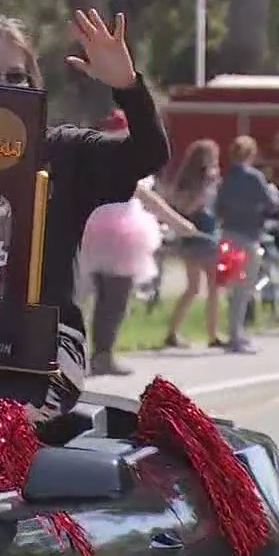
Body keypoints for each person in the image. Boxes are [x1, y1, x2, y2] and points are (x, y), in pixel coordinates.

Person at [0, 11, 170, 425]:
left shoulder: (66, 154)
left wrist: (127, 85)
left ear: (33, 85)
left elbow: (149, 154)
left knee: (8, 428)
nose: (2, 87)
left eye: (15, 77)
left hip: (45, 349)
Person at [79, 109, 201, 376]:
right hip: (122, 233)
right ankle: (102, 355)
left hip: (92, 228)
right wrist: (181, 224)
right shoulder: (124, 161)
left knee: (99, 298)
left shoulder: (91, 159)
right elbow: (148, 198)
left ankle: (94, 354)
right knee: (115, 299)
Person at [214, 136, 279, 354]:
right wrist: (274, 192)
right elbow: (271, 205)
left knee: (232, 286)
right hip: (249, 236)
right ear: (251, 154)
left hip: (228, 235)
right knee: (244, 288)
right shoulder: (255, 177)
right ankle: (236, 336)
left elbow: (218, 207)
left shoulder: (227, 177)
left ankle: (234, 331)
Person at [163, 139, 223, 348]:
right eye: (212, 157)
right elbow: (186, 208)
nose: (215, 162)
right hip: (197, 236)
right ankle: (208, 335)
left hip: (206, 234)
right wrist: (204, 188)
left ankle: (180, 332)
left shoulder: (205, 180)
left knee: (202, 287)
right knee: (203, 287)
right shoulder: (192, 182)